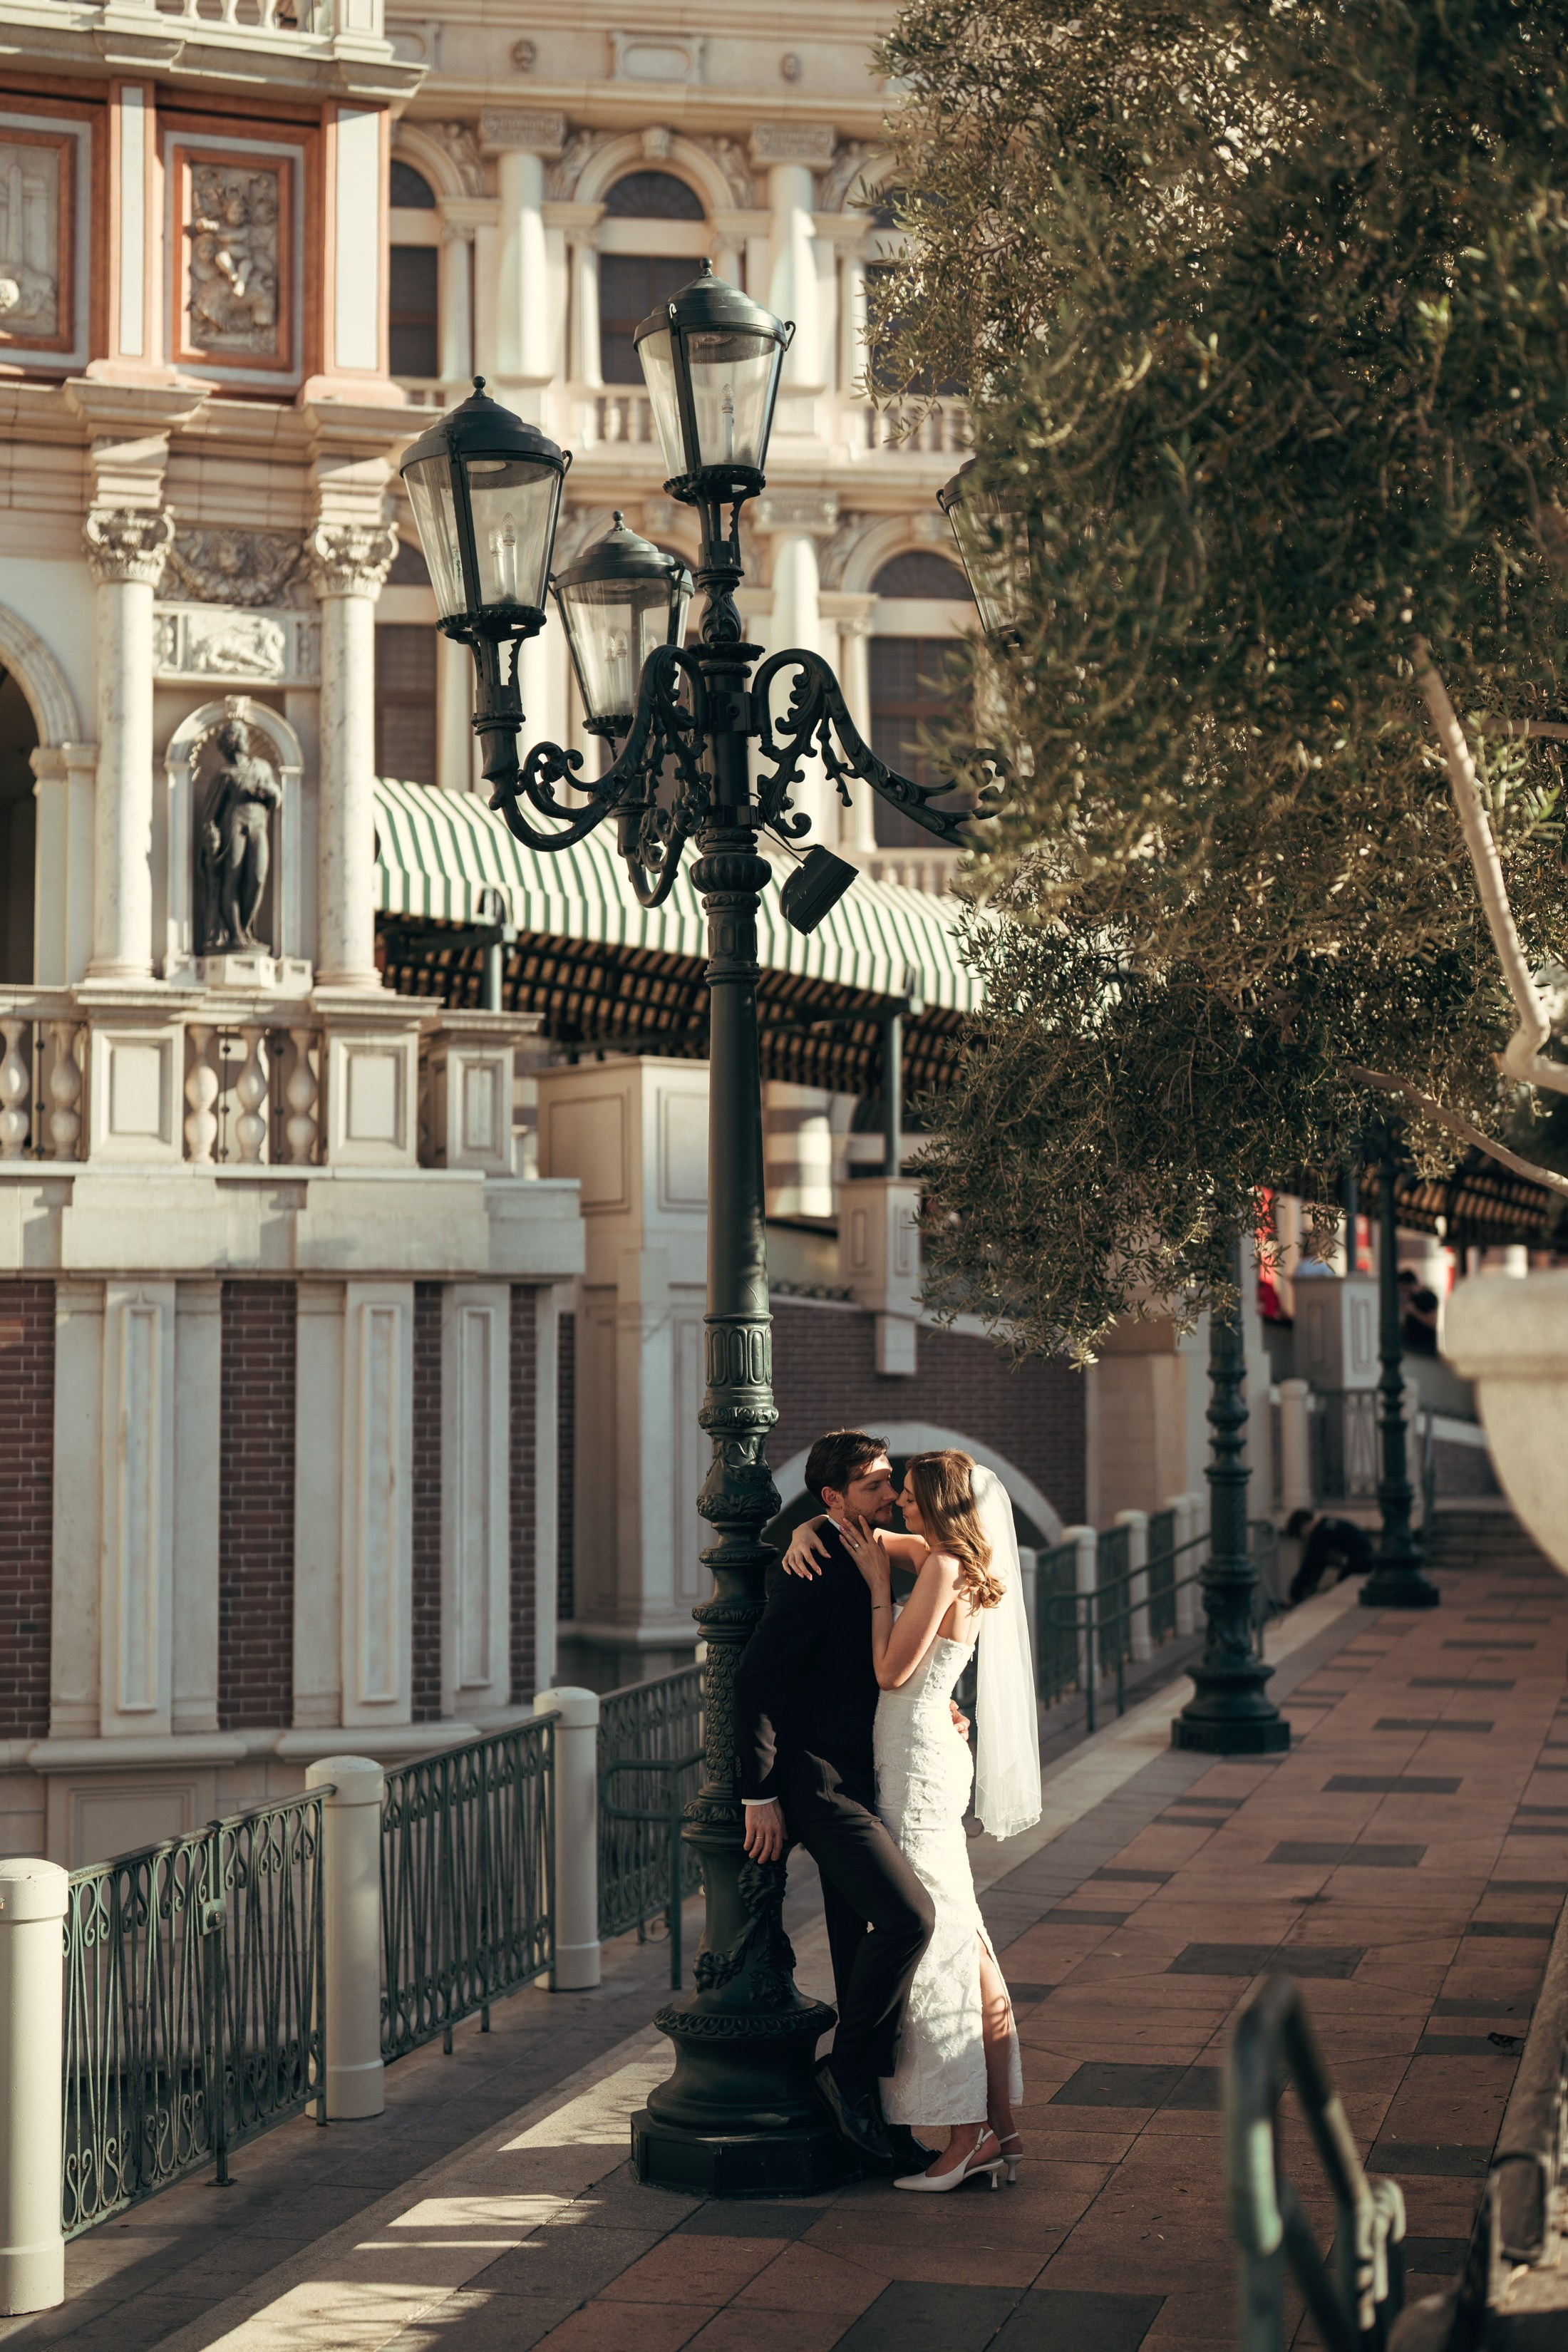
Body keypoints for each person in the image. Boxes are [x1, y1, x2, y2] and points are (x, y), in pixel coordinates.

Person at [778, 1447, 1042, 2191]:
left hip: (918, 1765)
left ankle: (966, 2135)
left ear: (943, 1505)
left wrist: (874, 1590)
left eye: (913, 1496)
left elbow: (891, 1672)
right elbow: (855, 1529)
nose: (899, 1503)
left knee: (941, 1949)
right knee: (968, 1942)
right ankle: (1003, 2130)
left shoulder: (942, 1567)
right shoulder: (949, 1557)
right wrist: (805, 1528)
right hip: (922, 1753)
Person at [735, 1432, 937, 2175]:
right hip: (816, 1783)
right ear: (834, 1498)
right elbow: (756, 1682)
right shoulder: (812, 1565)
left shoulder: (865, 1543)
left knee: (859, 1940)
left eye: (889, 1481)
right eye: (873, 1485)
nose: (889, 1492)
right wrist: (758, 1793)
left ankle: (867, 2115)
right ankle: (846, 2075)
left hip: (869, 1772)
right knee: (910, 1918)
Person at [1284, 1507, 1375, 1603]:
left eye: (1300, 1535)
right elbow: (1318, 1563)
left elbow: (1309, 1566)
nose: (1304, 1539)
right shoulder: (1326, 1525)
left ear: (1304, 1527)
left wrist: (1294, 1594)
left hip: (1360, 1562)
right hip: (1365, 1559)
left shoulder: (1319, 1533)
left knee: (1338, 1588)